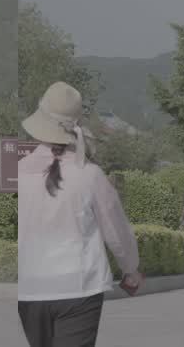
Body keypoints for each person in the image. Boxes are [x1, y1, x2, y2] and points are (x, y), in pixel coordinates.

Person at [17, 82, 142, 347]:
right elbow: (116, 230)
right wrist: (131, 270)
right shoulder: (89, 174)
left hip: (31, 289)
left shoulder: (19, 172)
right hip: (79, 287)